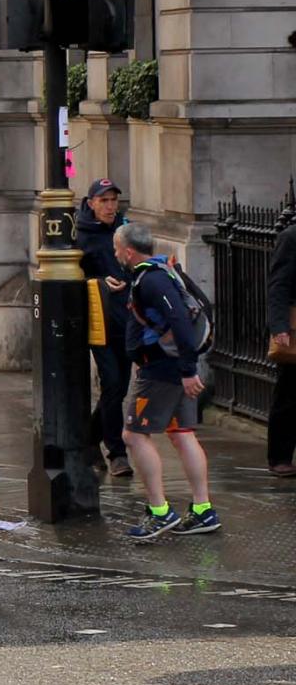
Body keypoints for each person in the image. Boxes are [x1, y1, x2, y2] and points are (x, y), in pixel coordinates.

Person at [115, 222, 219, 538]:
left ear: (128, 251)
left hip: (162, 371)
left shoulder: (153, 281)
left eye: (117, 249)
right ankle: (203, 510)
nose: (116, 253)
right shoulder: (161, 271)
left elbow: (179, 321)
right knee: (182, 434)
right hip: (172, 368)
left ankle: (160, 511)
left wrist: (188, 371)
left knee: (133, 436)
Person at [76, 178, 133, 476]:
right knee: (111, 383)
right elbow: (69, 282)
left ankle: (87, 440)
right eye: (105, 201)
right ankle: (117, 453)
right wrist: (98, 284)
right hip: (101, 323)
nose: (111, 206)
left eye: (114, 200)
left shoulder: (126, 229)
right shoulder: (81, 235)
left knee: (120, 388)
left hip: (128, 321)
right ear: (92, 203)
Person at [268, 214, 296, 478]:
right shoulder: (290, 237)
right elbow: (278, 285)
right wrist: (279, 327)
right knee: (289, 393)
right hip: (295, 327)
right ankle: (280, 456)